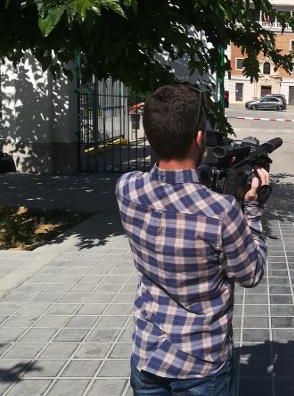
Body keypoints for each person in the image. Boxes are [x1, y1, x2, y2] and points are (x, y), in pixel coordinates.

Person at [115, 85, 269, 396]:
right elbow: (251, 273)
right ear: (199, 138)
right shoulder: (221, 212)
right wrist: (251, 207)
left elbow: (160, 183)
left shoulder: (127, 189)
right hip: (201, 364)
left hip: (147, 352)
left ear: (149, 136)